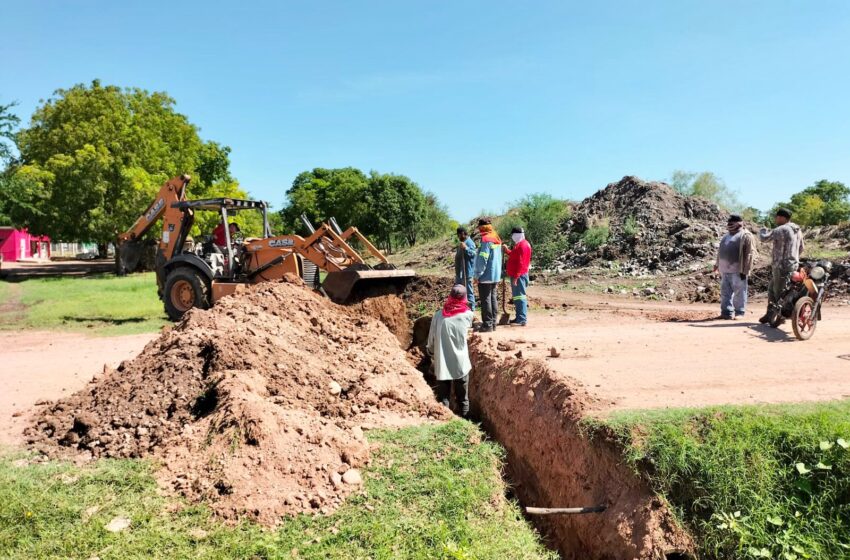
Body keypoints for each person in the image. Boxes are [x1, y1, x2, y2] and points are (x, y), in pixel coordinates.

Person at [426, 284, 474, 417]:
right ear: (464, 298)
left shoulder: (438, 316)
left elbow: (431, 339)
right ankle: (465, 421)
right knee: (463, 399)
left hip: (442, 364)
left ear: (450, 297)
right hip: (461, 365)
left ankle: (445, 420)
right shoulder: (468, 315)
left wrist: (430, 351)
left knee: (443, 399)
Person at [758, 208, 804, 325]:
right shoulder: (797, 230)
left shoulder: (781, 229)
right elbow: (801, 248)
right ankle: (770, 314)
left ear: (782, 217)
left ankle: (781, 316)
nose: (775, 219)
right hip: (793, 264)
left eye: (777, 217)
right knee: (772, 289)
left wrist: (762, 230)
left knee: (779, 292)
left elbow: (764, 238)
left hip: (781, 266)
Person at [712, 215, 755, 320]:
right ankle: (726, 313)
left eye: (733, 222)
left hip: (738, 270)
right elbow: (720, 252)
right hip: (724, 270)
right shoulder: (726, 236)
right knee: (725, 293)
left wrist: (745, 270)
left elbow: (750, 254)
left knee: (739, 293)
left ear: (739, 223)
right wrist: (717, 264)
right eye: (729, 223)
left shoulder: (745, 235)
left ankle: (739, 313)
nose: (730, 225)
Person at [473, 217, 503, 333]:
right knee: (493, 298)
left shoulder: (486, 240)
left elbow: (483, 259)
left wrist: (477, 275)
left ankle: (487, 325)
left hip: (486, 275)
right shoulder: (496, 237)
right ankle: (493, 323)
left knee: (486, 300)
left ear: (482, 227)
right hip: (495, 275)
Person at [504, 226, 533, 326]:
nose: (512, 237)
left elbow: (521, 263)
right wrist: (507, 251)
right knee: (517, 297)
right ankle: (519, 317)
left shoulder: (522, 245)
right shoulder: (520, 244)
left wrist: (516, 276)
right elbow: (515, 256)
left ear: (517, 235)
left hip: (519, 275)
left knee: (520, 297)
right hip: (518, 275)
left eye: (513, 235)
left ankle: (522, 319)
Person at [454, 227, 476, 311]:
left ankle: (471, 310)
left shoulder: (470, 243)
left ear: (463, 233)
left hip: (467, 272)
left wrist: (466, 248)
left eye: (459, 235)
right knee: (459, 292)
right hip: (460, 273)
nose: (458, 237)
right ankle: (462, 308)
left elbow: (473, 254)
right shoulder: (462, 242)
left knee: (469, 292)